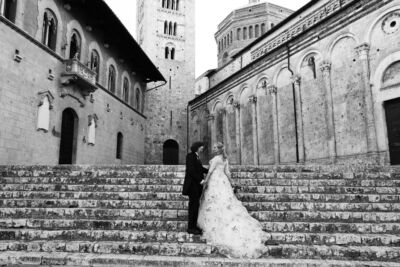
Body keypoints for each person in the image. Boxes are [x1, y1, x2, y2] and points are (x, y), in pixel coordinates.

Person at [197, 142, 268, 258]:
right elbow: (227, 173)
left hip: (215, 182)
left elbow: (210, 172)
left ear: (219, 149)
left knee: (214, 202)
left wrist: (205, 182)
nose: (213, 149)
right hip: (223, 182)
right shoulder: (225, 159)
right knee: (225, 202)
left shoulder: (215, 159)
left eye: (215, 147)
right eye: (214, 147)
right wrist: (231, 183)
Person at [182, 142, 208, 235]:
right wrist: (200, 180)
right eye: (202, 147)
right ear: (197, 147)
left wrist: (212, 170)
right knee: (193, 206)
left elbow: (200, 168)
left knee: (195, 206)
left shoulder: (196, 156)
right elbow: (191, 171)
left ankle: (194, 226)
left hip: (196, 186)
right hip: (192, 185)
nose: (202, 149)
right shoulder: (190, 156)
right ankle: (191, 228)